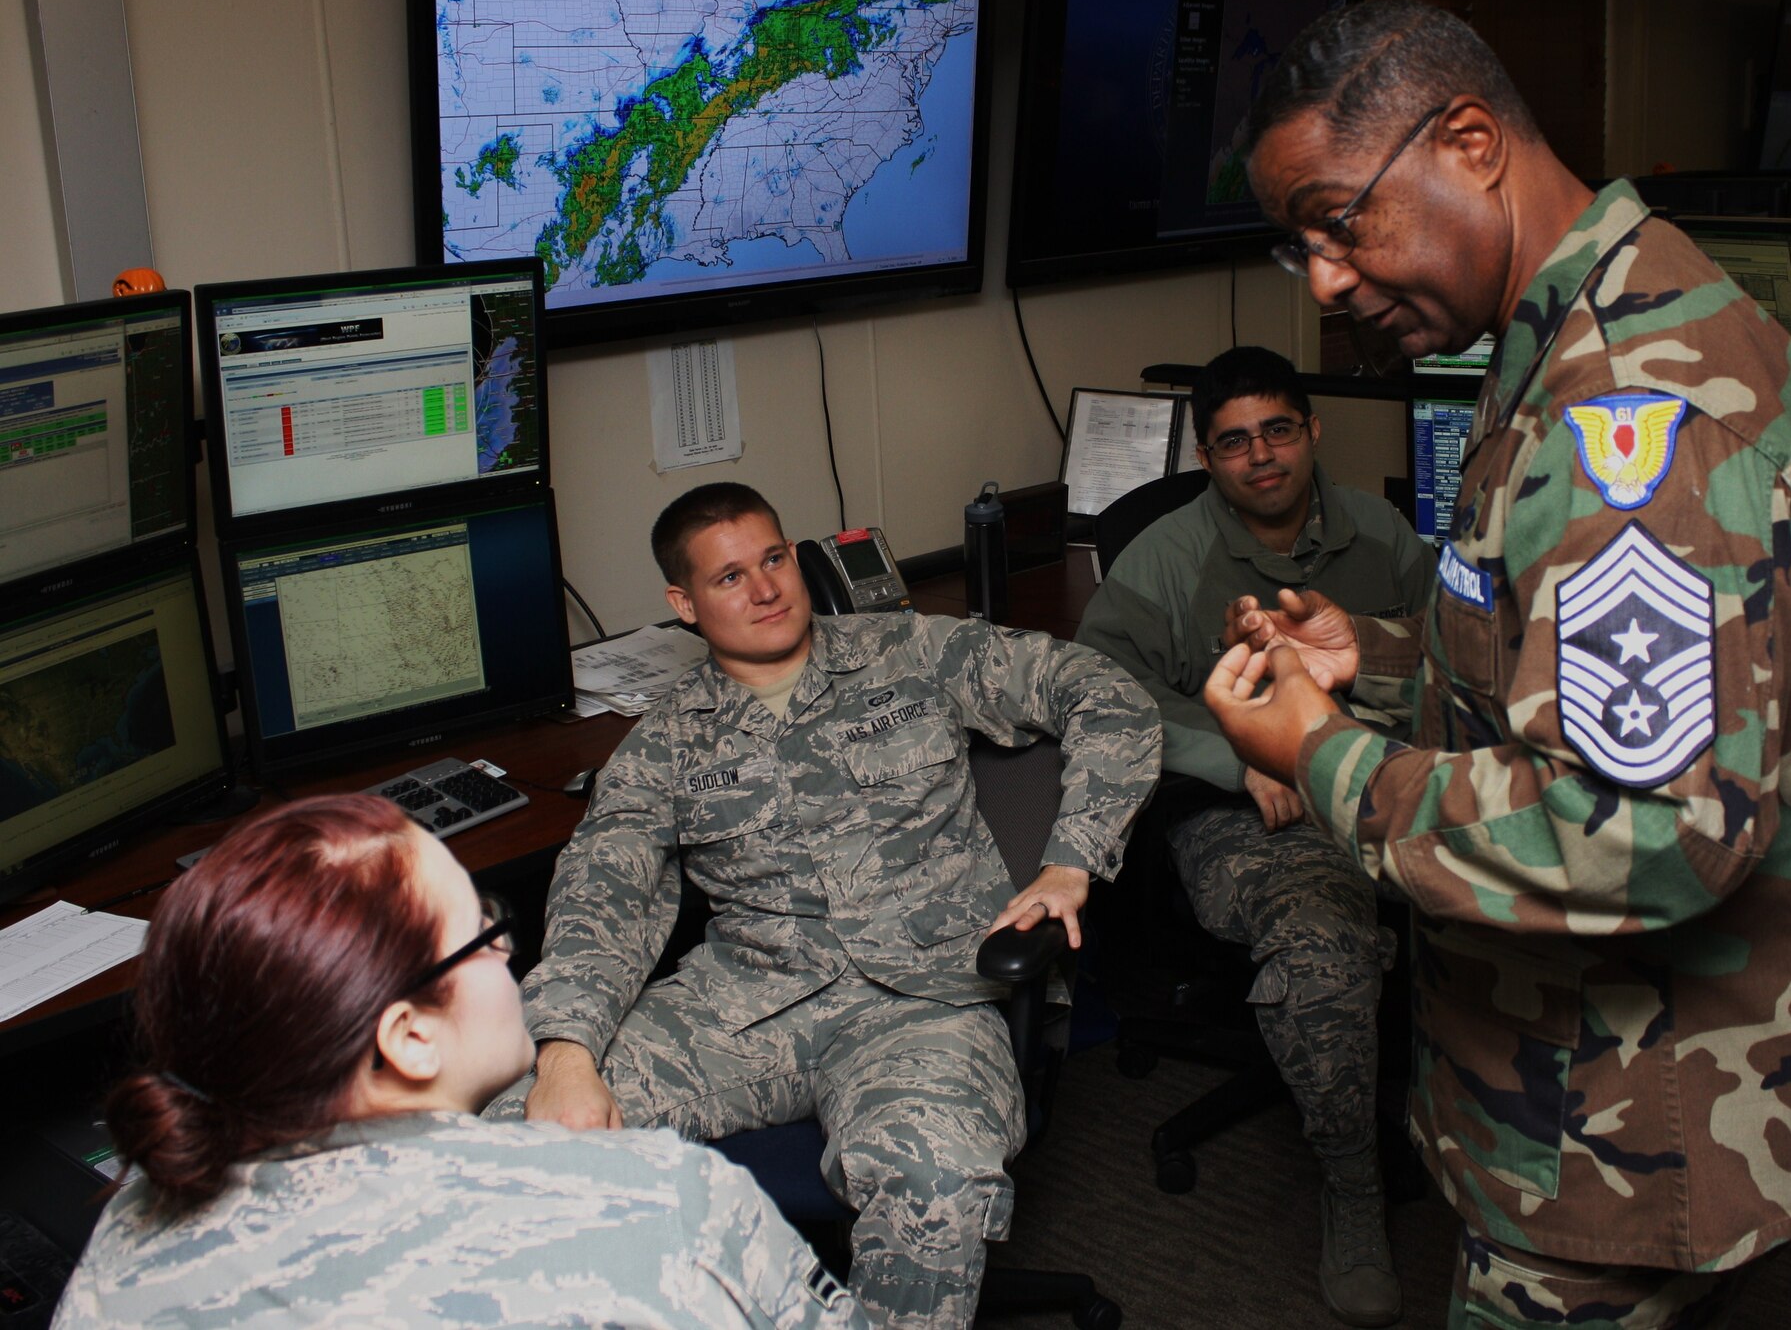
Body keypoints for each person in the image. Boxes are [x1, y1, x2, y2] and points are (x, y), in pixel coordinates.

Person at [1200, 0, 1791, 1328]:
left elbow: (1643, 826)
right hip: (1591, 1093)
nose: (1331, 280)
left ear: (1468, 140)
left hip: (1636, 1121)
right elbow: (1574, 665)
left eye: (1342, 221)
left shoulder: (1633, 406)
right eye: (1303, 247)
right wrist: (1384, 663)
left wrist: (1325, 755)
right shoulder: (1572, 330)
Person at [490, 482, 1161, 1330]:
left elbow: (1104, 692)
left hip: (928, 997)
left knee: (936, 1179)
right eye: (729, 577)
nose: (766, 589)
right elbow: (602, 893)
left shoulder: (910, 652)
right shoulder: (664, 741)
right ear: (683, 604)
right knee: (514, 1143)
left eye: (774, 559)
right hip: (746, 1003)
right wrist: (566, 1052)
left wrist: (1071, 861)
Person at [54, 794, 867, 1329]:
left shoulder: (129, 1230)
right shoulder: (665, 1207)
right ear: (409, 1035)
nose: (509, 947)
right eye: (481, 931)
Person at [1075, 344, 1431, 1326]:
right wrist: (1225, 756)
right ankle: (1350, 1185)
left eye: (1277, 430)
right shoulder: (1168, 558)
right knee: (1321, 943)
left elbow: (1444, 647)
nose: (1260, 457)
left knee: (1514, 884)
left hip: (1376, 779)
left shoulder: (1376, 533)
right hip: (1241, 812)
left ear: (1311, 430)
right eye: (1232, 442)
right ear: (1205, 456)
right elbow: (1092, 692)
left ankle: (1490, 1134)